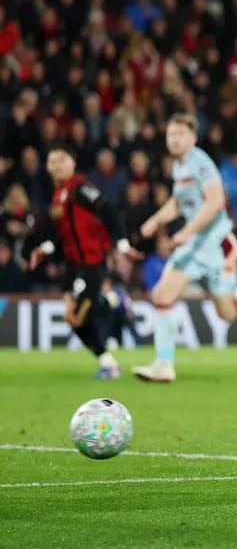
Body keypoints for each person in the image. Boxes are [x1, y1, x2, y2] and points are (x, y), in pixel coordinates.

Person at [131, 114, 237, 383]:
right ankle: (164, 364)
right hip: (193, 247)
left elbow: (215, 201)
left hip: (216, 246)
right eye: (171, 135)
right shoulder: (179, 167)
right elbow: (179, 202)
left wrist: (186, 231)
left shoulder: (200, 162)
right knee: (162, 294)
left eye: (180, 135)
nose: (174, 139)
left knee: (227, 312)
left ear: (193, 138)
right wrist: (154, 221)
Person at [28, 145, 141, 379]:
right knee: (72, 318)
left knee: (80, 315)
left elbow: (109, 210)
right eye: (52, 161)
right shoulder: (58, 194)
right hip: (72, 265)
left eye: (61, 159)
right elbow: (62, 233)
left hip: (91, 262)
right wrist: (45, 248)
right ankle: (107, 363)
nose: (56, 165)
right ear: (47, 168)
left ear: (73, 163)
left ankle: (113, 299)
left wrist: (121, 244)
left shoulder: (81, 187)